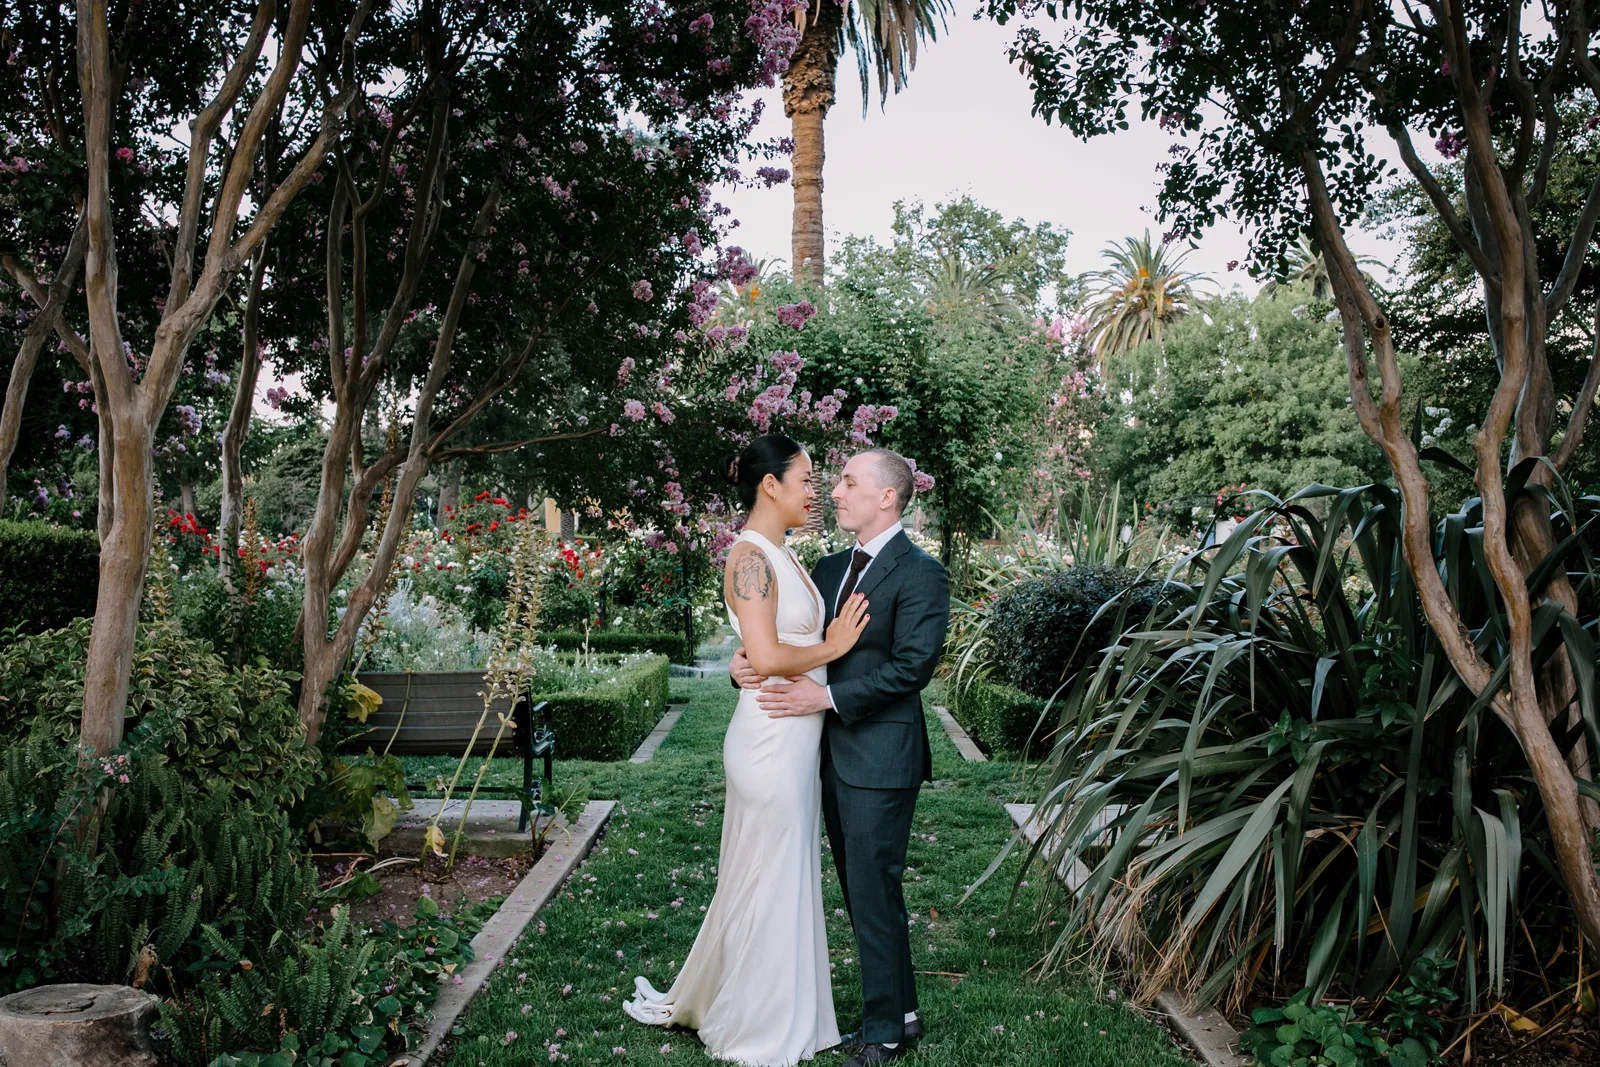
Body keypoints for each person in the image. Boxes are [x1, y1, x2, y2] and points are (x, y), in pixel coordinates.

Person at [624, 434, 869, 1066]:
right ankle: (757, 1023)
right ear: (770, 485)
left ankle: (780, 1007)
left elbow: (757, 655)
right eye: (808, 479)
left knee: (777, 876)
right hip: (767, 742)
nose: (816, 490)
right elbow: (764, 658)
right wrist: (833, 648)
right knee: (769, 877)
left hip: (792, 740)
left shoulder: (783, 557)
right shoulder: (750, 558)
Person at [735, 448, 950, 1066]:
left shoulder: (920, 574)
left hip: (882, 758)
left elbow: (913, 668)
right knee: (865, 893)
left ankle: (882, 1031)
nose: (836, 490)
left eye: (850, 482)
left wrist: (827, 695)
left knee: (872, 889)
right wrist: (742, 668)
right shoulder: (826, 569)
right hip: (821, 758)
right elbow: (788, 644)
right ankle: (903, 1009)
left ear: (888, 496)